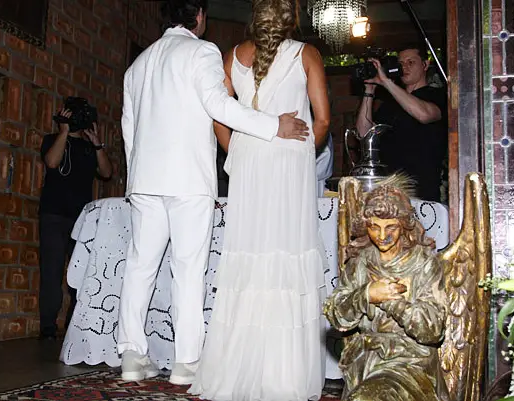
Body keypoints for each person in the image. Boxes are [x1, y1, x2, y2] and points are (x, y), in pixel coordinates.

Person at [117, 0, 310, 384]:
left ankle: (131, 357)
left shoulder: (138, 64)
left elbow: (129, 126)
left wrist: (134, 177)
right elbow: (219, 104)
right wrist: (274, 125)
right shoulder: (201, 51)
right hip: (188, 178)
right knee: (188, 269)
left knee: (139, 266)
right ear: (200, 16)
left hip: (144, 179)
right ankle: (186, 361)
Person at [189, 0, 330, 398]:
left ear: (255, 18)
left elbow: (218, 115)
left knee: (249, 252)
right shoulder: (307, 53)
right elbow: (322, 120)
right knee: (287, 250)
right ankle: (287, 372)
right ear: (292, 19)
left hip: (248, 162)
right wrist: (302, 153)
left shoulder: (232, 56)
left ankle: (236, 365)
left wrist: (235, 151)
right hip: (290, 163)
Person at [324, 183, 449, 401]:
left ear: (404, 225)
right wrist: (366, 295)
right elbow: (336, 315)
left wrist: (392, 302)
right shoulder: (360, 263)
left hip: (410, 362)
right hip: (365, 360)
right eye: (374, 227)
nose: (382, 235)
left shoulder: (423, 264)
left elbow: (432, 329)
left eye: (391, 227)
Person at [39, 99, 112, 340]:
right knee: (51, 272)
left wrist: (97, 144)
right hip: (53, 215)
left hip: (82, 221)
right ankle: (48, 327)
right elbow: (52, 162)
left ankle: (74, 325)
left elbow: (107, 172)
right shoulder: (52, 139)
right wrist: (64, 132)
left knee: (80, 273)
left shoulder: (90, 148)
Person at [356, 44, 447, 202]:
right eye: (401, 64)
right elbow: (363, 133)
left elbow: (424, 115)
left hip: (423, 189)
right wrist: (369, 91)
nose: (405, 67)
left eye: (411, 62)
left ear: (425, 65)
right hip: (389, 189)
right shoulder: (390, 103)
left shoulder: (438, 95)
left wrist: (386, 82)